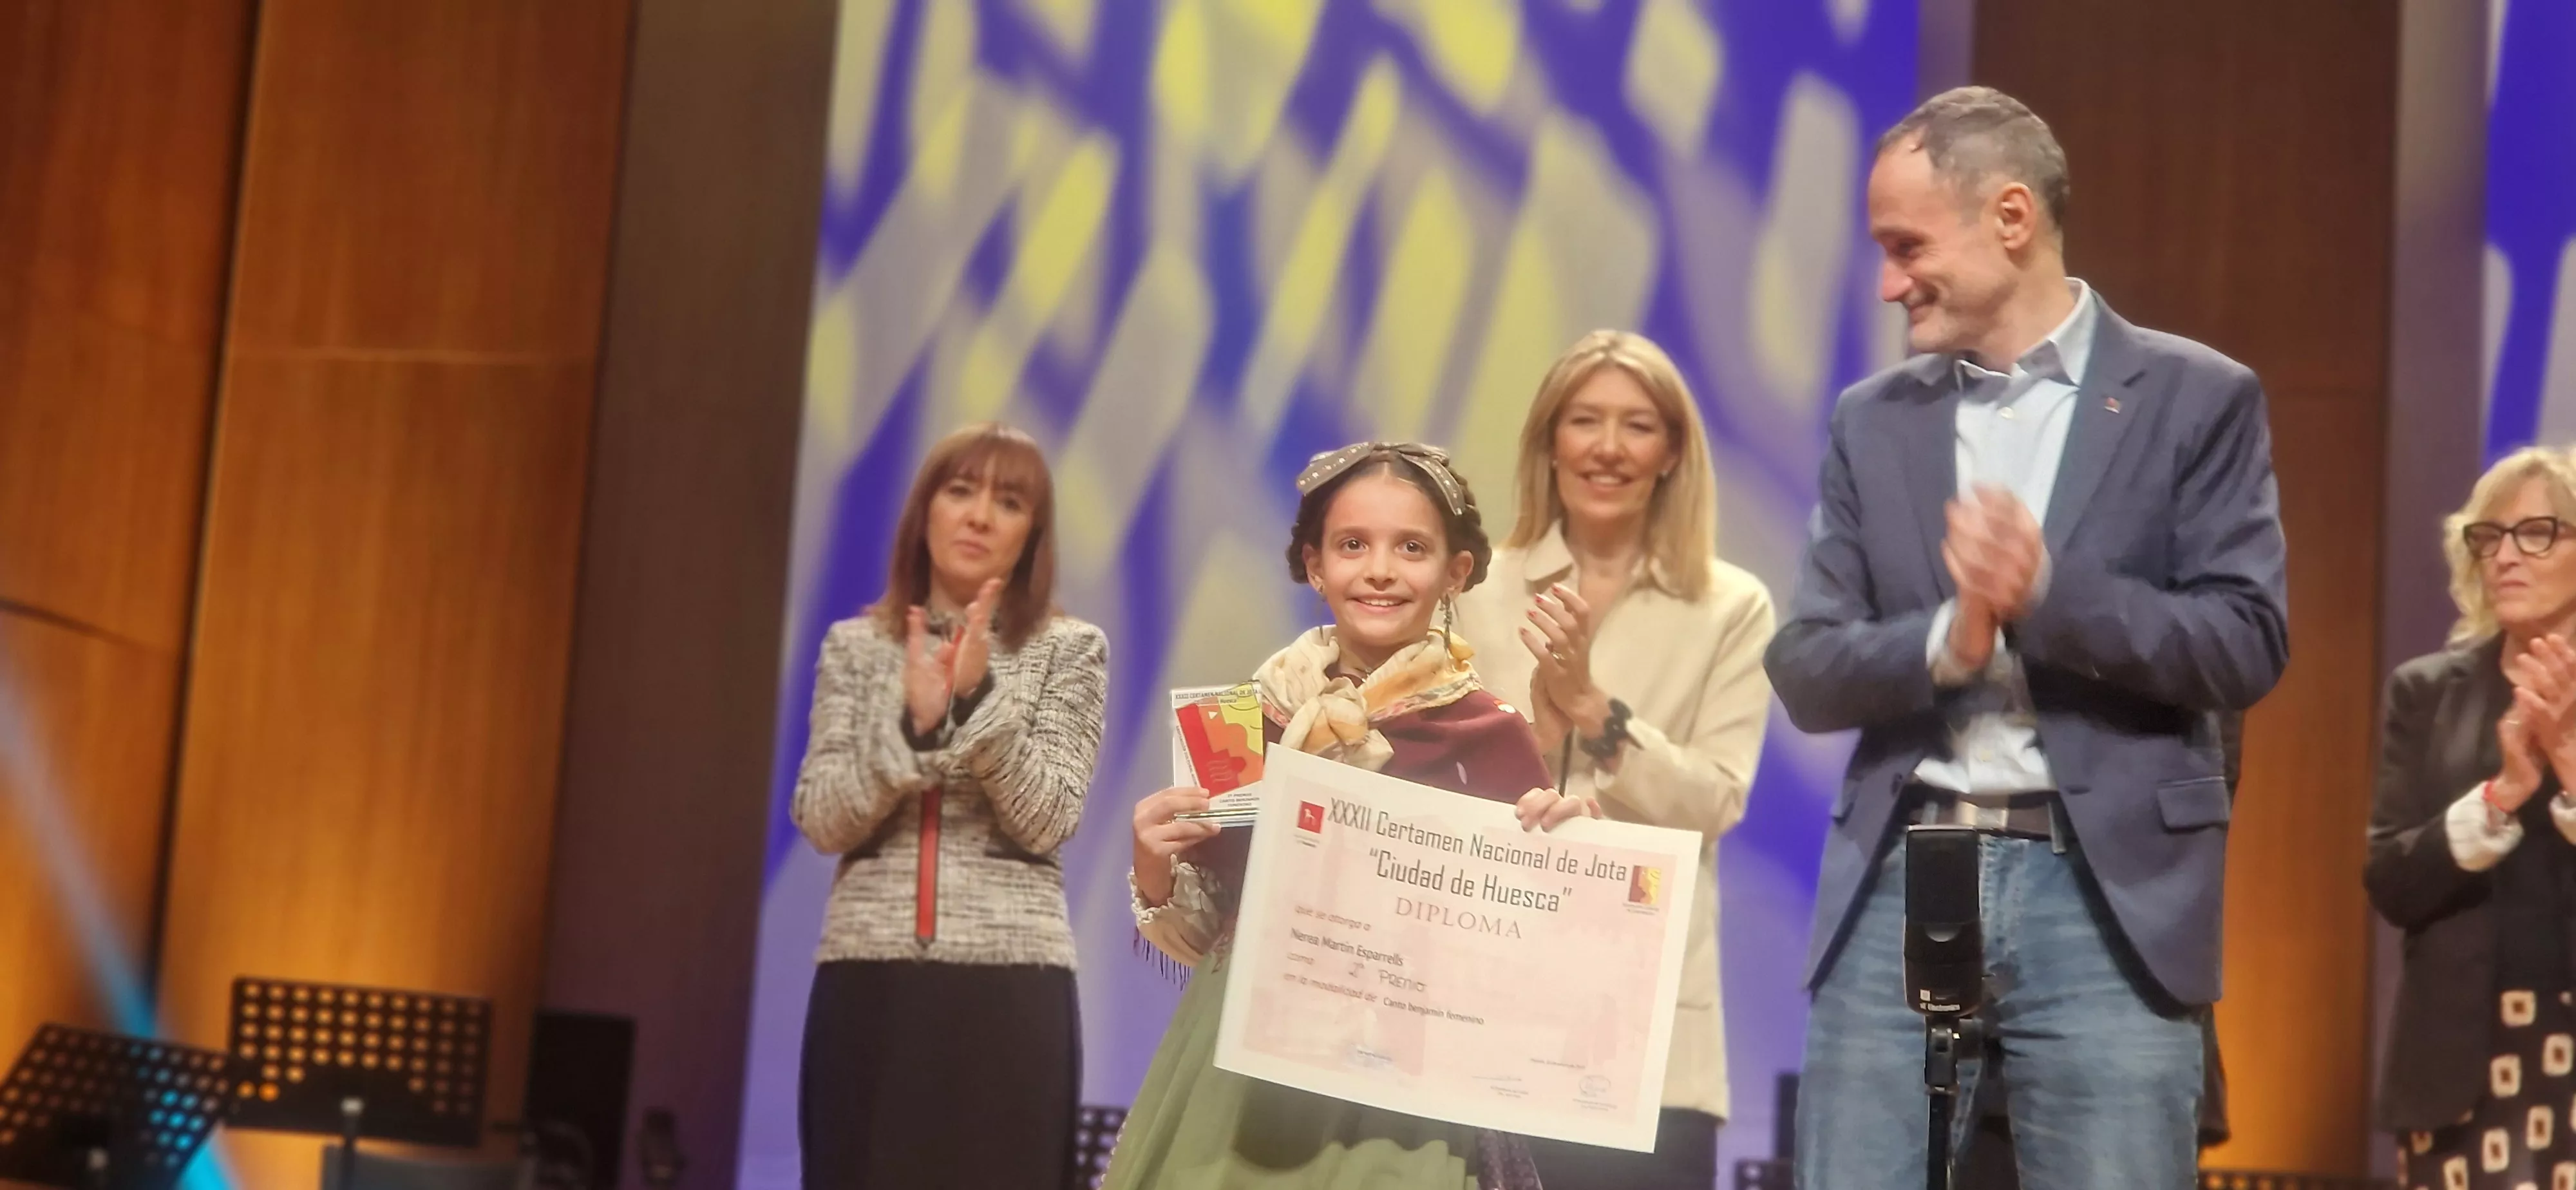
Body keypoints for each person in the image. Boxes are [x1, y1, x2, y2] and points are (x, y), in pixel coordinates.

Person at [1761, 86, 2289, 1190]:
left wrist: (2048, 595)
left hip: (2106, 893)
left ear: (2011, 217)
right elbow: (1807, 664)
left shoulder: (2196, 398)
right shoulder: (1874, 418)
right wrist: (1946, 641)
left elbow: (2245, 640)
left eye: (1907, 246)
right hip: (1902, 874)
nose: (1888, 280)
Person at [1104, 441, 1597, 1190]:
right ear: (1314, 564)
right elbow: (1202, 936)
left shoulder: (1490, 734)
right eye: (1351, 545)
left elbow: (1526, 969)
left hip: (1400, 1098)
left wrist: (1558, 855)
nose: (1378, 569)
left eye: (1411, 548)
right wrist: (1152, 864)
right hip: (1241, 1074)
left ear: (1454, 572)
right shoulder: (1244, 720)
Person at [1455, 330, 1775, 1190]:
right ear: (1549, 441)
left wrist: (1598, 717)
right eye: (1584, 421)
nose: (1607, 447)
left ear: (1672, 452)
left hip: (1649, 1026)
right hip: (1487, 1000)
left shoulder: (1731, 606)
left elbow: (1719, 798)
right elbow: (1438, 772)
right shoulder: (1473, 588)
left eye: (1636, 426)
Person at [788, 422, 1108, 1189]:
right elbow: (823, 819)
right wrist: (912, 730)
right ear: (924, 511)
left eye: (1007, 501)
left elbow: (1048, 817)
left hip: (1008, 991)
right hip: (869, 983)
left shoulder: (1071, 649)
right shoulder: (855, 648)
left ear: (1032, 532)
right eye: (959, 491)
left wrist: (978, 700)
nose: (977, 516)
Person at [2369, 446, 2576, 1190]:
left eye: (2537, 533)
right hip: (2460, 1059)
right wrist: (2502, 795)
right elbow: (2390, 882)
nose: (2505, 557)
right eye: (2488, 538)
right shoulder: (2426, 692)